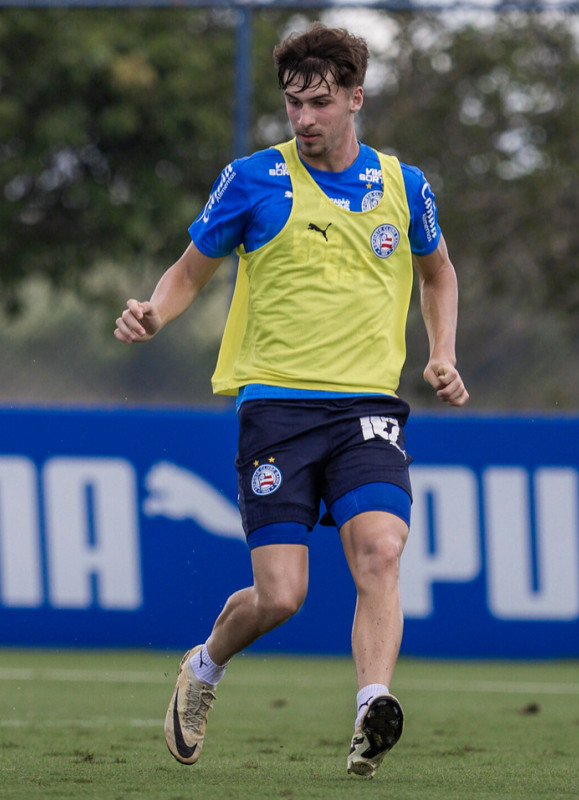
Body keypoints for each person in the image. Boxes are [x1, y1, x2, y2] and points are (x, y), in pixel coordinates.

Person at [114, 22, 467, 778]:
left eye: (319, 103)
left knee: (381, 551)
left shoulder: (404, 186)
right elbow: (187, 271)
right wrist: (152, 311)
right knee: (281, 596)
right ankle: (204, 667)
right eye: (293, 104)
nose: (305, 119)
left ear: (355, 99)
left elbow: (438, 274)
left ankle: (373, 704)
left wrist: (441, 353)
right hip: (276, 410)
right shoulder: (252, 179)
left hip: (368, 408)